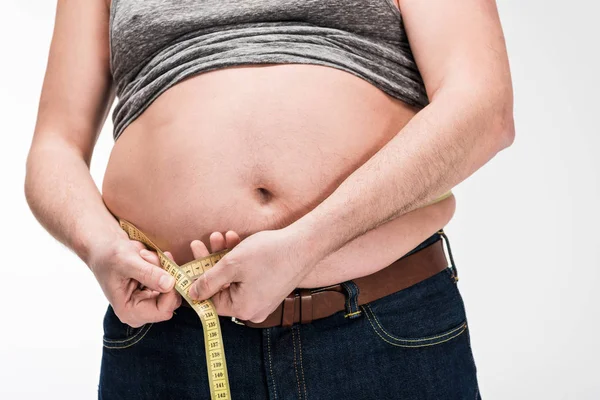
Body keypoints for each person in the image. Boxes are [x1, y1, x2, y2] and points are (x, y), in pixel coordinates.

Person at [25, 0, 514, 398]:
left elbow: (483, 105)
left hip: (380, 322)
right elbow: (54, 147)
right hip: (171, 333)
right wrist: (98, 246)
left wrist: (306, 244)